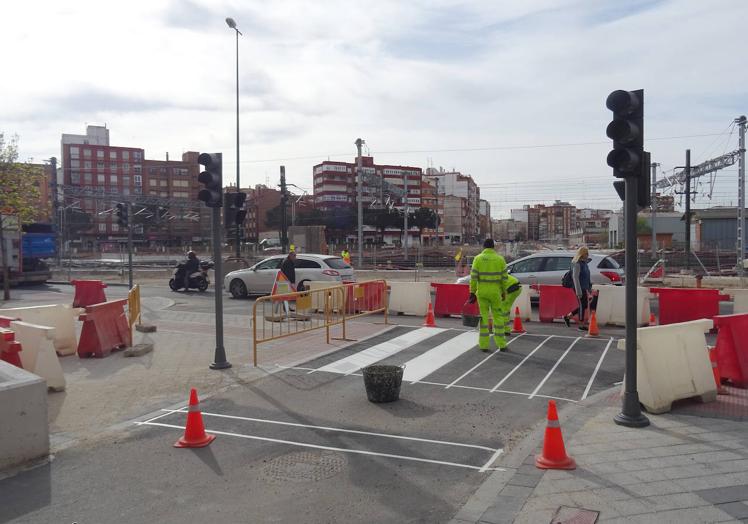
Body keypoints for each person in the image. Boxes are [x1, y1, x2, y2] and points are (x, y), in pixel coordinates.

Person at [469, 238, 509, 352]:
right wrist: (503, 291)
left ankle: (484, 345)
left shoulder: (478, 259)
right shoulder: (500, 259)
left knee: (484, 318)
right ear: (493, 247)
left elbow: (473, 278)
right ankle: (502, 344)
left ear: (484, 247)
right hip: (495, 292)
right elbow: (504, 279)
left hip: (482, 292)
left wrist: (472, 292)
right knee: (498, 317)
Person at [563, 246, 599, 331]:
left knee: (584, 305)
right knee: (582, 306)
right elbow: (575, 277)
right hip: (578, 288)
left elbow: (587, 277)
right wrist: (578, 292)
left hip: (584, 287)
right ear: (582, 254)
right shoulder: (577, 264)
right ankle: (581, 325)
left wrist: (589, 288)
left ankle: (568, 316)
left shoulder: (585, 264)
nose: (588, 255)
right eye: (586, 253)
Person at [500, 272, 522, 337]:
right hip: (515, 287)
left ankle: (505, 330)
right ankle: (506, 329)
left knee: (503, 308)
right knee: (506, 308)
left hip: (512, 288)